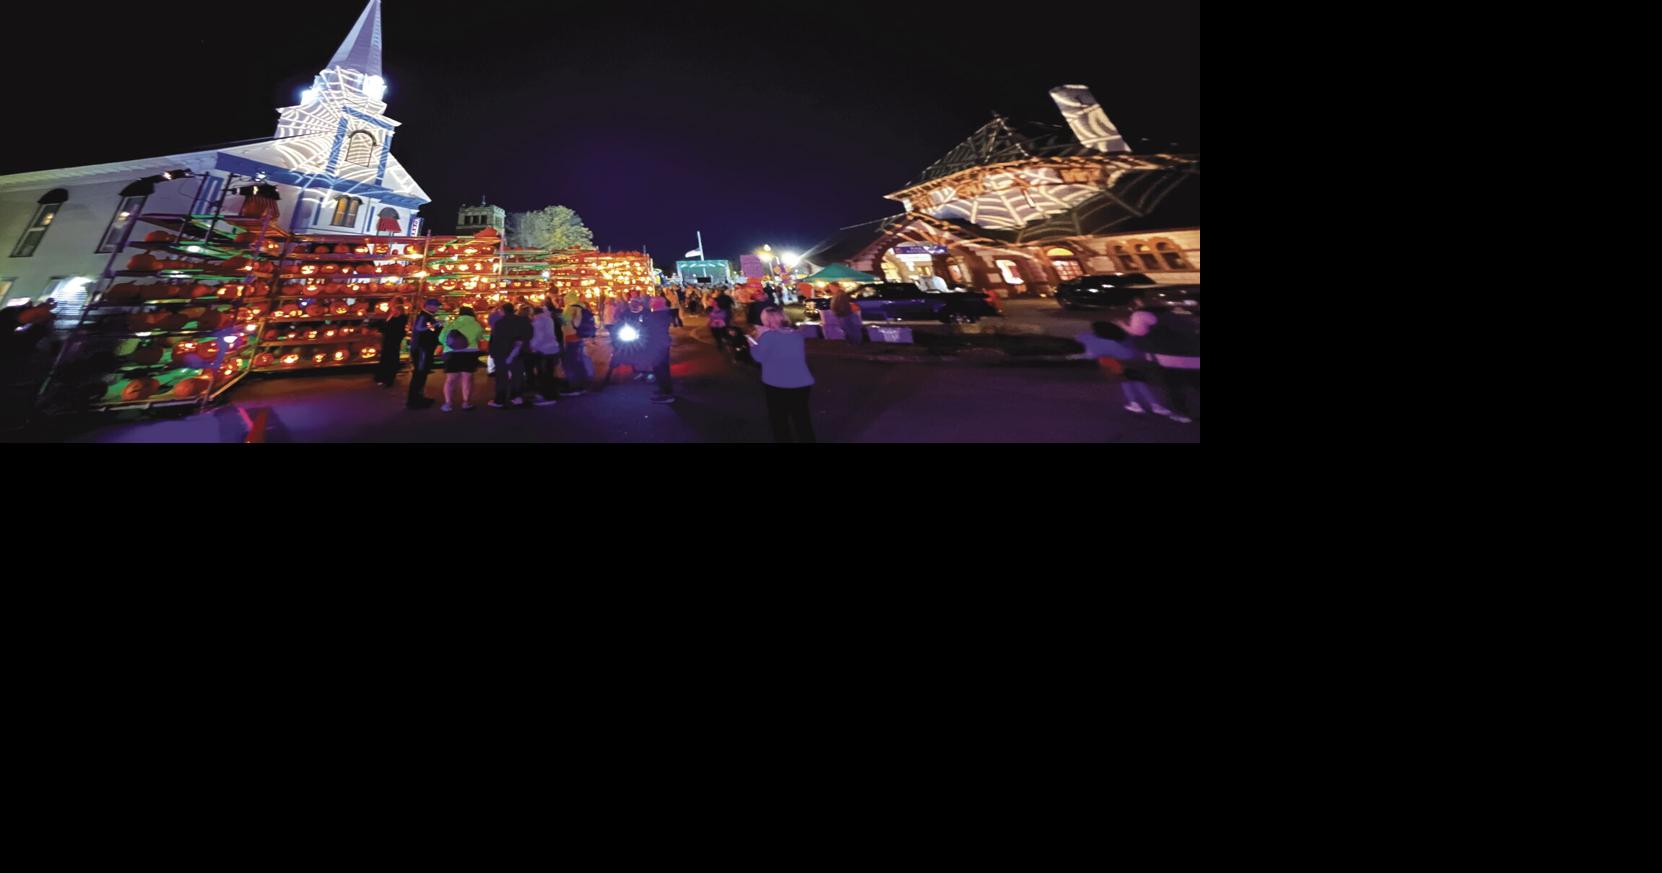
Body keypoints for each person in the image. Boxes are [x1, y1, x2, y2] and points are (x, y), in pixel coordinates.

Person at [749, 306, 816, 443]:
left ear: (767, 320)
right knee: (802, 419)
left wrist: (753, 343)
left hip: (777, 383)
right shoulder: (796, 334)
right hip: (801, 382)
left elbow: (758, 357)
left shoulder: (768, 337)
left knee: (779, 420)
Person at [1076, 321, 1167, 416]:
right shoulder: (1124, 336)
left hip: (1118, 364)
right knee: (1139, 383)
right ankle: (1155, 405)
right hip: (1135, 362)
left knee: (1126, 383)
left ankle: (1134, 403)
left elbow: (1092, 354)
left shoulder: (1098, 340)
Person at [1126, 310, 1200, 424]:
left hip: (1170, 360)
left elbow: (1138, 332)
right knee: (1195, 384)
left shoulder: (1141, 314)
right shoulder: (1173, 317)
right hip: (1194, 358)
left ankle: (1183, 414)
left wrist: (1123, 326)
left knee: (1175, 389)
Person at [439, 306, 484, 413]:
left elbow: (441, 338)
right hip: (469, 353)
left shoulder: (451, 324)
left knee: (450, 379)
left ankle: (448, 403)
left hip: (451, 353)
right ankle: (466, 402)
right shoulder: (476, 324)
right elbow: (480, 338)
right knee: (467, 378)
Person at [488, 302, 533, 409]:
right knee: (517, 375)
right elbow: (529, 335)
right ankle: (516, 397)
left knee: (501, 377)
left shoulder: (499, 323)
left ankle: (500, 399)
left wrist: (492, 352)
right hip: (518, 352)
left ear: (503, 311)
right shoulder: (522, 321)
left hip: (501, 353)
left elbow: (495, 340)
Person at [406, 299, 443, 409]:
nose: (437, 309)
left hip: (424, 348)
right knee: (420, 373)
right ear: (429, 306)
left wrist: (436, 326)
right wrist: (437, 325)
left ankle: (419, 396)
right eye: (436, 306)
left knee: (422, 373)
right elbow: (420, 328)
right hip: (422, 348)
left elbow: (429, 329)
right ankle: (414, 399)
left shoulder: (427, 316)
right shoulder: (424, 316)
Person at [643, 297, 678, 404]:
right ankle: (664, 389)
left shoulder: (658, 315)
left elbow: (649, 328)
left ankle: (667, 393)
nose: (651, 304)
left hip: (658, 344)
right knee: (660, 368)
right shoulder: (663, 313)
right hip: (661, 343)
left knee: (661, 368)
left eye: (652, 302)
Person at [529, 303, 563, 405]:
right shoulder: (549, 319)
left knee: (543, 373)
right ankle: (552, 393)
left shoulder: (537, 322)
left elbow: (539, 337)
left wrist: (532, 346)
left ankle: (547, 396)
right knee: (550, 372)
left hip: (543, 350)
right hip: (553, 348)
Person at [562, 296, 594, 396]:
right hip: (578, 337)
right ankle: (583, 384)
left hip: (571, 337)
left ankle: (575, 386)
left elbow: (566, 323)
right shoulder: (581, 307)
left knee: (571, 362)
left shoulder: (570, 308)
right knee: (578, 360)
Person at [374, 303, 408, 388]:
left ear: (399, 311)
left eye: (394, 310)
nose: (392, 312)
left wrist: (388, 320)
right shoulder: (394, 318)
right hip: (388, 342)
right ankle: (382, 377)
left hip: (393, 342)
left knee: (391, 360)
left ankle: (388, 379)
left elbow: (386, 327)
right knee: (385, 359)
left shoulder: (399, 320)